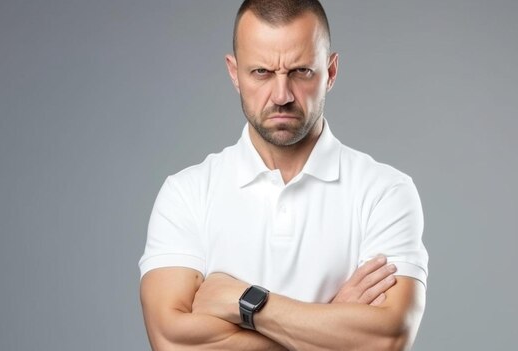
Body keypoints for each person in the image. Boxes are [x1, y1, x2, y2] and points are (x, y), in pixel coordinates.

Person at [139, 0, 428, 349]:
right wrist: (330, 323)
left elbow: (387, 339)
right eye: (261, 72)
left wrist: (245, 302)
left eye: (301, 71)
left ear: (331, 72)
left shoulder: (385, 192)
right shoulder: (186, 194)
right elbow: (172, 341)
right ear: (234, 73)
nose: (281, 95)